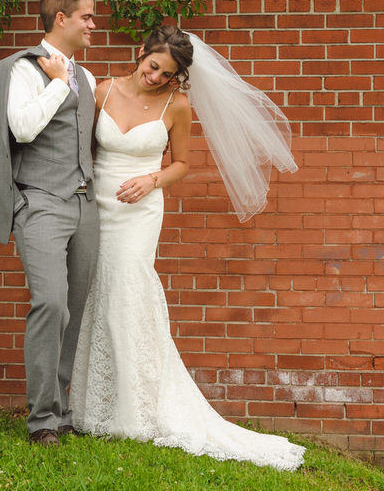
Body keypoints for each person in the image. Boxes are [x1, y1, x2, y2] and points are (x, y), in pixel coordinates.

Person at [68, 26, 305, 470]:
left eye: (168, 74)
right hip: (97, 204)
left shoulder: (177, 107)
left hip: (140, 212)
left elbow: (182, 164)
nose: (156, 77)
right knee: (99, 295)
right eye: (153, 65)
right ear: (140, 53)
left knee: (129, 292)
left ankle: (137, 409)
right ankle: (94, 407)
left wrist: (150, 179)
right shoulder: (101, 91)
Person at [0, 0, 99, 445]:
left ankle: (62, 409)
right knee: (49, 303)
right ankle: (41, 420)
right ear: (61, 19)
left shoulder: (88, 78)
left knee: (73, 308)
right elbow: (24, 128)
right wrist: (55, 84)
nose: (94, 24)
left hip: (84, 205)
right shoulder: (22, 70)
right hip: (41, 203)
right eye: (87, 16)